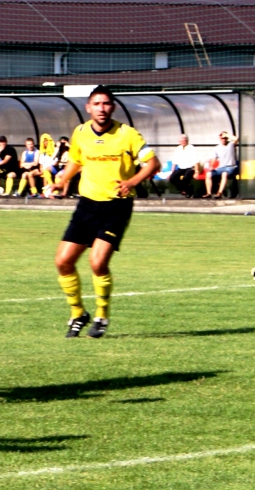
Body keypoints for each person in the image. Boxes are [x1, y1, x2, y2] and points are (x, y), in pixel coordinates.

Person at [49, 86, 160, 338]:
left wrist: (132, 182)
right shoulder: (80, 132)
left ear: (113, 107)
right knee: (63, 262)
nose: (102, 108)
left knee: (97, 262)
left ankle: (101, 315)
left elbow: (154, 163)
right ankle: (78, 313)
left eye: (106, 103)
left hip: (116, 206)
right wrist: (62, 181)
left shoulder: (127, 134)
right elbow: (77, 160)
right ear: (88, 107)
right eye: (97, 104)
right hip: (87, 204)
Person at [204, 131, 238, 199]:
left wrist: (227, 134)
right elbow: (214, 159)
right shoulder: (217, 148)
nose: (224, 139)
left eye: (225, 138)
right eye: (222, 138)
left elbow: (236, 139)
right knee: (208, 174)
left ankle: (219, 193)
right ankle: (209, 193)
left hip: (230, 167)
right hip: (221, 167)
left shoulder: (230, 145)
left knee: (224, 174)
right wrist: (211, 166)